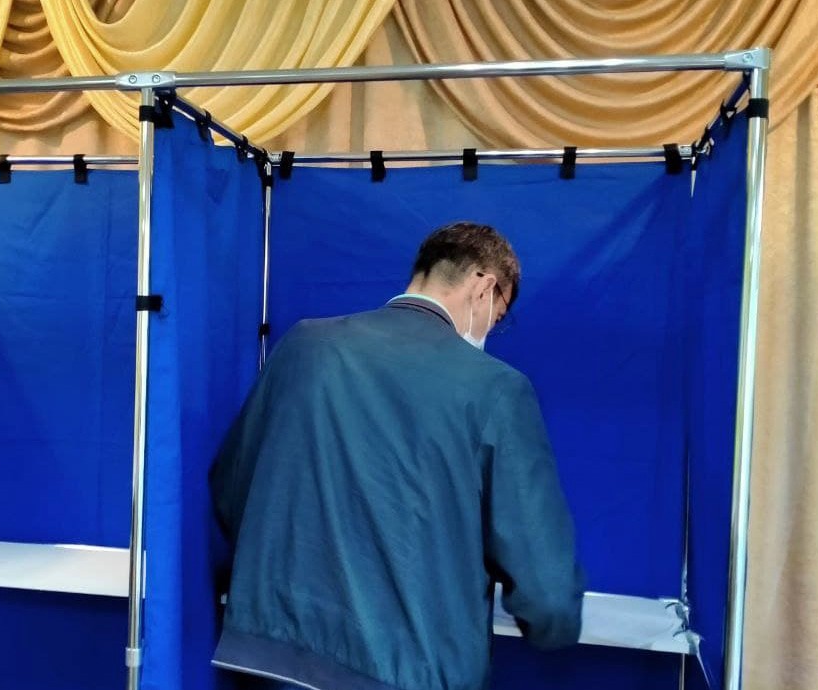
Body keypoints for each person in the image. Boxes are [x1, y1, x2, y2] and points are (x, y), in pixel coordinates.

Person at [209, 221, 585, 690]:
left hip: (273, 659)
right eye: (499, 315)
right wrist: (554, 628)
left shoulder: (305, 346)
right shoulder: (496, 389)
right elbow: (546, 589)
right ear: (484, 287)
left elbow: (231, 487)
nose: (493, 328)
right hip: (408, 670)